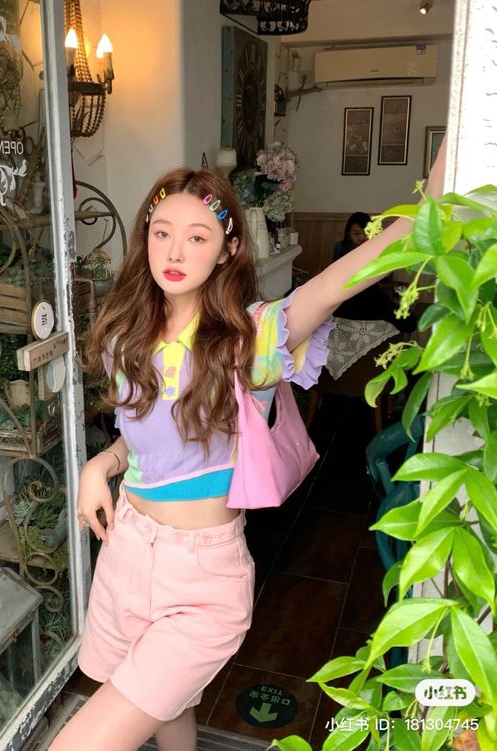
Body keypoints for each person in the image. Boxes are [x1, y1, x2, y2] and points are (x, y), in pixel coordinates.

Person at [50, 143, 445, 751]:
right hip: (125, 551)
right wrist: (101, 463)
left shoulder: (248, 338)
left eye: (197, 237)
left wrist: (429, 211)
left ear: (228, 249)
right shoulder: (126, 332)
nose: (174, 252)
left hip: (199, 579)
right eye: (162, 232)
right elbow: (146, 439)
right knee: (170, 707)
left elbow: (337, 283)